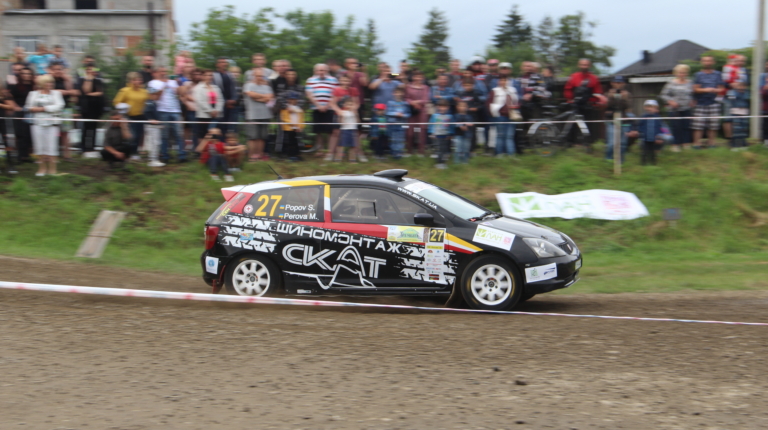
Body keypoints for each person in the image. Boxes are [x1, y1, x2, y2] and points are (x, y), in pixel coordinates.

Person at [26, 75, 65, 176]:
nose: (50, 84)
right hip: (37, 123)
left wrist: (43, 108)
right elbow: (28, 107)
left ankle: (52, 170)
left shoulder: (56, 93)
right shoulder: (33, 94)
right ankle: (42, 169)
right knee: (39, 146)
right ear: (42, 84)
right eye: (47, 82)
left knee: (52, 146)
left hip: (53, 124)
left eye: (51, 82)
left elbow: (60, 106)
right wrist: (34, 109)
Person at [149, 67, 186, 163]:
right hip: (162, 111)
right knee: (164, 135)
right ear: (157, 73)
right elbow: (153, 97)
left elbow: (180, 93)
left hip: (176, 110)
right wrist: (163, 85)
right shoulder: (153, 83)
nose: (163, 73)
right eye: (161, 71)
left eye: (165, 71)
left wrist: (179, 84)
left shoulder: (172, 82)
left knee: (179, 133)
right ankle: (165, 155)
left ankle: (181, 155)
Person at [564, 59, 604, 143]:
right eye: (582, 64)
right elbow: (568, 89)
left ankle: (587, 143)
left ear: (589, 66)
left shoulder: (593, 78)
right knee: (571, 124)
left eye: (586, 65)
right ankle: (570, 143)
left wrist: (592, 101)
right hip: (575, 104)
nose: (584, 66)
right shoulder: (574, 76)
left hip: (587, 105)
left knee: (588, 124)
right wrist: (570, 99)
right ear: (579, 65)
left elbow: (597, 92)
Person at [305, 63, 339, 161]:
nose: (321, 72)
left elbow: (335, 94)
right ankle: (320, 150)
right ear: (315, 71)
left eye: (323, 70)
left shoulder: (333, 80)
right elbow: (309, 94)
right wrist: (318, 106)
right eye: (319, 70)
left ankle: (329, 151)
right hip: (316, 108)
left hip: (330, 108)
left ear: (327, 71)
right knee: (318, 131)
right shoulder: (310, 80)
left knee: (330, 131)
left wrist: (327, 105)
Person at [330, 74, 366, 162]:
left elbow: (357, 103)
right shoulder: (337, 90)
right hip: (340, 114)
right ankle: (331, 154)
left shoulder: (354, 90)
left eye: (347, 80)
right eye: (343, 80)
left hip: (351, 115)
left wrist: (353, 110)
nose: (345, 82)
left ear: (350, 81)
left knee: (355, 134)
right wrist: (339, 111)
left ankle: (358, 153)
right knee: (336, 133)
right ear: (340, 81)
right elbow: (332, 103)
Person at [113, 71, 149, 158]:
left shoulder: (144, 91)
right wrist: (123, 108)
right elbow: (116, 102)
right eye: (135, 80)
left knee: (139, 135)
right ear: (131, 81)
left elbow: (148, 101)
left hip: (141, 116)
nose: (138, 82)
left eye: (139, 80)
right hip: (129, 116)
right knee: (132, 135)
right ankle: (129, 153)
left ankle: (135, 152)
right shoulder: (125, 91)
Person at [692, 56, 725, 149]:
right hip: (700, 102)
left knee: (713, 125)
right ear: (702, 62)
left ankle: (711, 143)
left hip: (714, 102)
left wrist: (716, 90)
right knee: (698, 125)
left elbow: (722, 88)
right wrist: (706, 90)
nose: (707, 63)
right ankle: (697, 144)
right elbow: (695, 89)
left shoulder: (718, 74)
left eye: (709, 61)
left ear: (713, 62)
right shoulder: (698, 75)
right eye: (705, 61)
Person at [661, 64, 695, 151]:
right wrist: (671, 102)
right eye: (680, 72)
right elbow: (663, 95)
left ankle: (686, 143)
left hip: (687, 108)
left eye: (684, 72)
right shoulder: (671, 83)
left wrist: (693, 100)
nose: (682, 74)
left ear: (687, 73)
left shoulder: (690, 82)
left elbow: (693, 94)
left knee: (686, 126)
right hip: (674, 109)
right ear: (676, 73)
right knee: (675, 127)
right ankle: (675, 144)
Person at [243, 68, 274, 161]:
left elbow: (270, 98)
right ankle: (252, 156)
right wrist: (264, 97)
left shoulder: (267, 87)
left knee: (262, 137)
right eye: (257, 76)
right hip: (252, 115)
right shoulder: (248, 85)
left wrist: (258, 97)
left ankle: (260, 155)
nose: (259, 78)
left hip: (265, 114)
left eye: (261, 76)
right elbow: (250, 94)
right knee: (253, 137)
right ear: (253, 76)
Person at [76, 64, 105, 157]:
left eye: (92, 69)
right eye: (89, 69)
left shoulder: (98, 81)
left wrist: (90, 94)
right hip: (86, 108)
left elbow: (100, 93)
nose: (91, 71)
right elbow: (86, 90)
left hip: (96, 108)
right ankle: (84, 147)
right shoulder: (82, 80)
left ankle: (92, 147)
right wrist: (89, 79)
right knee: (85, 128)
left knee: (94, 128)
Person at [50, 62, 78, 160]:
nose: (58, 71)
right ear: (51, 70)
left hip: (66, 109)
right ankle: (52, 154)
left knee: (65, 133)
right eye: (55, 69)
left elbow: (75, 92)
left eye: (60, 69)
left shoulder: (66, 80)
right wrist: (63, 92)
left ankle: (67, 155)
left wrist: (65, 89)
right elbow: (50, 92)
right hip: (52, 110)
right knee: (52, 133)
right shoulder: (48, 80)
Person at [8, 67, 35, 163]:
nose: (26, 75)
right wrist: (16, 107)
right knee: (21, 135)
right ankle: (20, 156)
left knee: (29, 135)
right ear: (20, 75)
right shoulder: (16, 87)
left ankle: (26, 156)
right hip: (20, 112)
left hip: (32, 112)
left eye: (28, 73)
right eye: (24, 73)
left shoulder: (34, 87)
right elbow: (10, 98)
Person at [604, 76, 632, 163]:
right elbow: (606, 106)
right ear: (612, 83)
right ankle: (608, 158)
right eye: (616, 82)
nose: (618, 84)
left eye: (620, 82)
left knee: (623, 143)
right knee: (612, 142)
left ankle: (621, 160)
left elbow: (628, 107)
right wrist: (611, 97)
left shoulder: (627, 94)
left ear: (624, 84)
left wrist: (624, 98)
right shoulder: (608, 93)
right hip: (611, 120)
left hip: (624, 119)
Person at [488, 75, 519, 157]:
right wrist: (493, 114)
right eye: (501, 80)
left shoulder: (513, 90)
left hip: (512, 116)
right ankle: (499, 154)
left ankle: (511, 155)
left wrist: (515, 108)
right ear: (498, 81)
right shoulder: (494, 91)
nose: (503, 82)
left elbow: (517, 102)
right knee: (500, 135)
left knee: (510, 136)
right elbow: (489, 103)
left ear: (508, 81)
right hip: (500, 116)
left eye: (505, 80)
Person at [454, 78, 484, 152]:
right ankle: (462, 149)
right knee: (462, 132)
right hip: (462, 116)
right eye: (466, 85)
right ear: (463, 86)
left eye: (470, 85)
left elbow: (481, 105)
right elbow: (458, 105)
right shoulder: (461, 94)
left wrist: (476, 108)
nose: (468, 87)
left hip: (472, 117)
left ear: (473, 85)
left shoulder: (475, 94)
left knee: (472, 133)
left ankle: (472, 149)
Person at [635, 100, 669, 165]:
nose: (649, 109)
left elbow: (660, 127)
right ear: (645, 108)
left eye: (651, 107)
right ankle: (643, 163)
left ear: (656, 108)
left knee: (652, 151)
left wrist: (659, 136)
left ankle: (653, 163)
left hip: (654, 138)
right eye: (647, 107)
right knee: (644, 151)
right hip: (645, 138)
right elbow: (640, 126)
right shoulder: (643, 116)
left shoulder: (658, 117)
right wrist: (640, 133)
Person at [405, 70, 430, 156]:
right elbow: (406, 98)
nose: (418, 78)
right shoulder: (408, 87)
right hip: (411, 110)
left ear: (422, 78)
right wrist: (412, 103)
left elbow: (426, 99)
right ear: (413, 77)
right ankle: (409, 151)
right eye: (416, 76)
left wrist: (418, 102)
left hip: (422, 111)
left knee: (422, 131)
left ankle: (421, 151)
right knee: (410, 132)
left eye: (420, 76)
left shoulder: (425, 87)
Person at [193, 69, 224, 139]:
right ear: (203, 76)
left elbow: (220, 99)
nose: (210, 77)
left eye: (211, 75)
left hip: (216, 115)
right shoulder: (198, 88)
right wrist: (210, 111)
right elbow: (200, 101)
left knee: (214, 135)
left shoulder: (216, 87)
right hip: (203, 115)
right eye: (208, 75)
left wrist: (217, 110)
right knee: (203, 135)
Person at [179, 68, 202, 152]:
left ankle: (199, 150)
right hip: (190, 111)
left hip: (201, 111)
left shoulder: (203, 85)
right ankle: (192, 149)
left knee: (199, 131)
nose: (197, 76)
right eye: (195, 74)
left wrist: (192, 99)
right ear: (191, 75)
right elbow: (182, 96)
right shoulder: (187, 84)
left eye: (199, 74)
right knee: (191, 131)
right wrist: (187, 103)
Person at [213, 57, 237, 134]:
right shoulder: (214, 75)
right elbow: (216, 90)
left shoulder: (229, 75)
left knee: (231, 127)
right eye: (221, 62)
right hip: (220, 104)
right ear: (217, 64)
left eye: (225, 62)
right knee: (221, 126)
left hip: (231, 104)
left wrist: (234, 99)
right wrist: (226, 101)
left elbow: (233, 88)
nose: (223, 64)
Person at [428, 99, 455, 169]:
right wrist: (431, 133)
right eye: (441, 106)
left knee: (444, 149)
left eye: (444, 107)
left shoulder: (450, 116)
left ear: (448, 107)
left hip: (446, 136)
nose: (442, 108)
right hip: (437, 135)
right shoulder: (434, 116)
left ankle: (443, 162)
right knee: (439, 149)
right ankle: (439, 162)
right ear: (438, 107)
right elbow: (431, 125)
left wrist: (451, 134)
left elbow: (451, 126)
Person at [143, 86, 165, 167]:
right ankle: (153, 160)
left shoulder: (153, 103)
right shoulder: (149, 103)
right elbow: (146, 112)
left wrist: (159, 124)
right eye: (154, 94)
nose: (156, 96)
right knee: (154, 143)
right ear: (150, 95)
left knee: (156, 142)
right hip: (152, 126)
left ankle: (154, 158)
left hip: (155, 126)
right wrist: (150, 119)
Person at [279, 92, 304, 162]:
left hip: (296, 129)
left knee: (295, 142)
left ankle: (296, 155)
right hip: (287, 128)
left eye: (294, 99)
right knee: (287, 141)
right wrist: (293, 124)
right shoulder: (285, 108)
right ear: (287, 99)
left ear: (297, 100)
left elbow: (301, 119)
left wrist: (300, 126)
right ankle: (287, 155)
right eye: (291, 99)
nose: (292, 101)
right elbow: (284, 118)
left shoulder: (299, 109)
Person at [332, 98, 360, 162]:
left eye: (351, 104)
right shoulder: (342, 112)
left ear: (354, 105)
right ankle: (337, 159)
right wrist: (341, 117)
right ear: (344, 105)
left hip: (353, 130)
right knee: (341, 145)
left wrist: (356, 115)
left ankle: (352, 159)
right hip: (344, 130)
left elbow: (358, 122)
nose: (350, 106)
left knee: (353, 146)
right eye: (348, 104)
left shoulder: (355, 112)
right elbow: (340, 122)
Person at [386, 88, 410, 160]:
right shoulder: (390, 103)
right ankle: (394, 153)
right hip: (392, 124)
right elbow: (387, 112)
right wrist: (395, 114)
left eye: (400, 93)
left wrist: (403, 115)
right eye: (396, 93)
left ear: (402, 94)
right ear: (393, 94)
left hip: (401, 124)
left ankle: (399, 153)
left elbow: (408, 114)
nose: (398, 94)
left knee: (400, 139)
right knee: (393, 139)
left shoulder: (405, 104)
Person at [0, 84, 18, 174]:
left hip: (3, 122)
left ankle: (10, 165)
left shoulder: (5, 94)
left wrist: (1, 105)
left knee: (7, 143)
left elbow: (12, 107)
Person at [727, 81, 750, 151]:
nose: (742, 87)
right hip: (735, 112)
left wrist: (743, 92)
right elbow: (731, 100)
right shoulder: (732, 92)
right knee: (736, 129)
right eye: (740, 86)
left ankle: (743, 144)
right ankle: (735, 145)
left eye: (743, 86)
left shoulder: (747, 93)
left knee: (744, 129)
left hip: (744, 112)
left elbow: (747, 98)